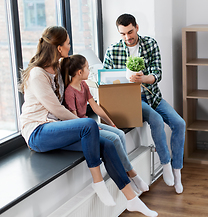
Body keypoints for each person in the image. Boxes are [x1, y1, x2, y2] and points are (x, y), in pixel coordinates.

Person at [19, 26, 157, 217]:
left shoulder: (58, 69)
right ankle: (98, 182)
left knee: (108, 144)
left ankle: (132, 199)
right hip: (38, 132)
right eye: (67, 43)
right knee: (89, 124)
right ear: (59, 48)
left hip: (57, 128)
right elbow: (56, 109)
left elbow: (77, 83)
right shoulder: (38, 74)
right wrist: (82, 125)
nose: (69, 46)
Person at [103, 14, 186, 194]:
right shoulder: (113, 50)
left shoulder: (150, 44)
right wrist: (125, 80)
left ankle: (177, 172)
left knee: (179, 124)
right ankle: (165, 164)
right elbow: (105, 80)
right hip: (132, 101)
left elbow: (157, 74)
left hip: (153, 96)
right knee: (155, 119)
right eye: (123, 34)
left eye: (130, 32)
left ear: (137, 27)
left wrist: (143, 78)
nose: (127, 37)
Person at [61, 54, 149, 193]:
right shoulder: (69, 92)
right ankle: (132, 174)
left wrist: (111, 123)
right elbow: (75, 119)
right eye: (87, 68)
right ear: (79, 72)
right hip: (83, 128)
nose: (89, 71)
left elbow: (95, 107)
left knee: (119, 133)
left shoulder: (84, 85)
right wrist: (94, 127)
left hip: (88, 123)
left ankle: (125, 172)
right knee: (114, 139)